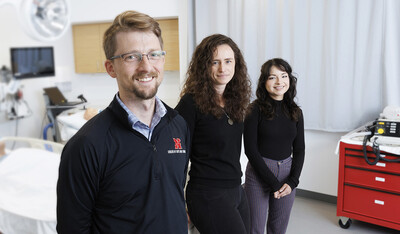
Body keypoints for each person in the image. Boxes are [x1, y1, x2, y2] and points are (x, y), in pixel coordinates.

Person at [56, 11, 190, 234]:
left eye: (153, 54)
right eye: (132, 57)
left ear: (163, 59)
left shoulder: (178, 125)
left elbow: (174, 192)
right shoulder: (86, 146)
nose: (146, 66)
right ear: (110, 68)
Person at [175, 34, 252, 234]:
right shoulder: (190, 104)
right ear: (204, 66)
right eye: (214, 62)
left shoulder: (235, 99)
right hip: (207, 193)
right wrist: (177, 202)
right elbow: (176, 157)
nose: (222, 68)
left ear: (236, 63)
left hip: (236, 188)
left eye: (228, 61)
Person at [244, 58, 305, 234]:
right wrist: (273, 183)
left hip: (287, 174)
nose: (279, 82)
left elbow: (300, 149)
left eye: (284, 76)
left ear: (290, 80)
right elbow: (250, 149)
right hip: (259, 173)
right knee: (254, 228)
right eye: (272, 77)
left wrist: (293, 181)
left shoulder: (296, 111)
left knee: (278, 229)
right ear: (264, 82)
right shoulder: (254, 110)